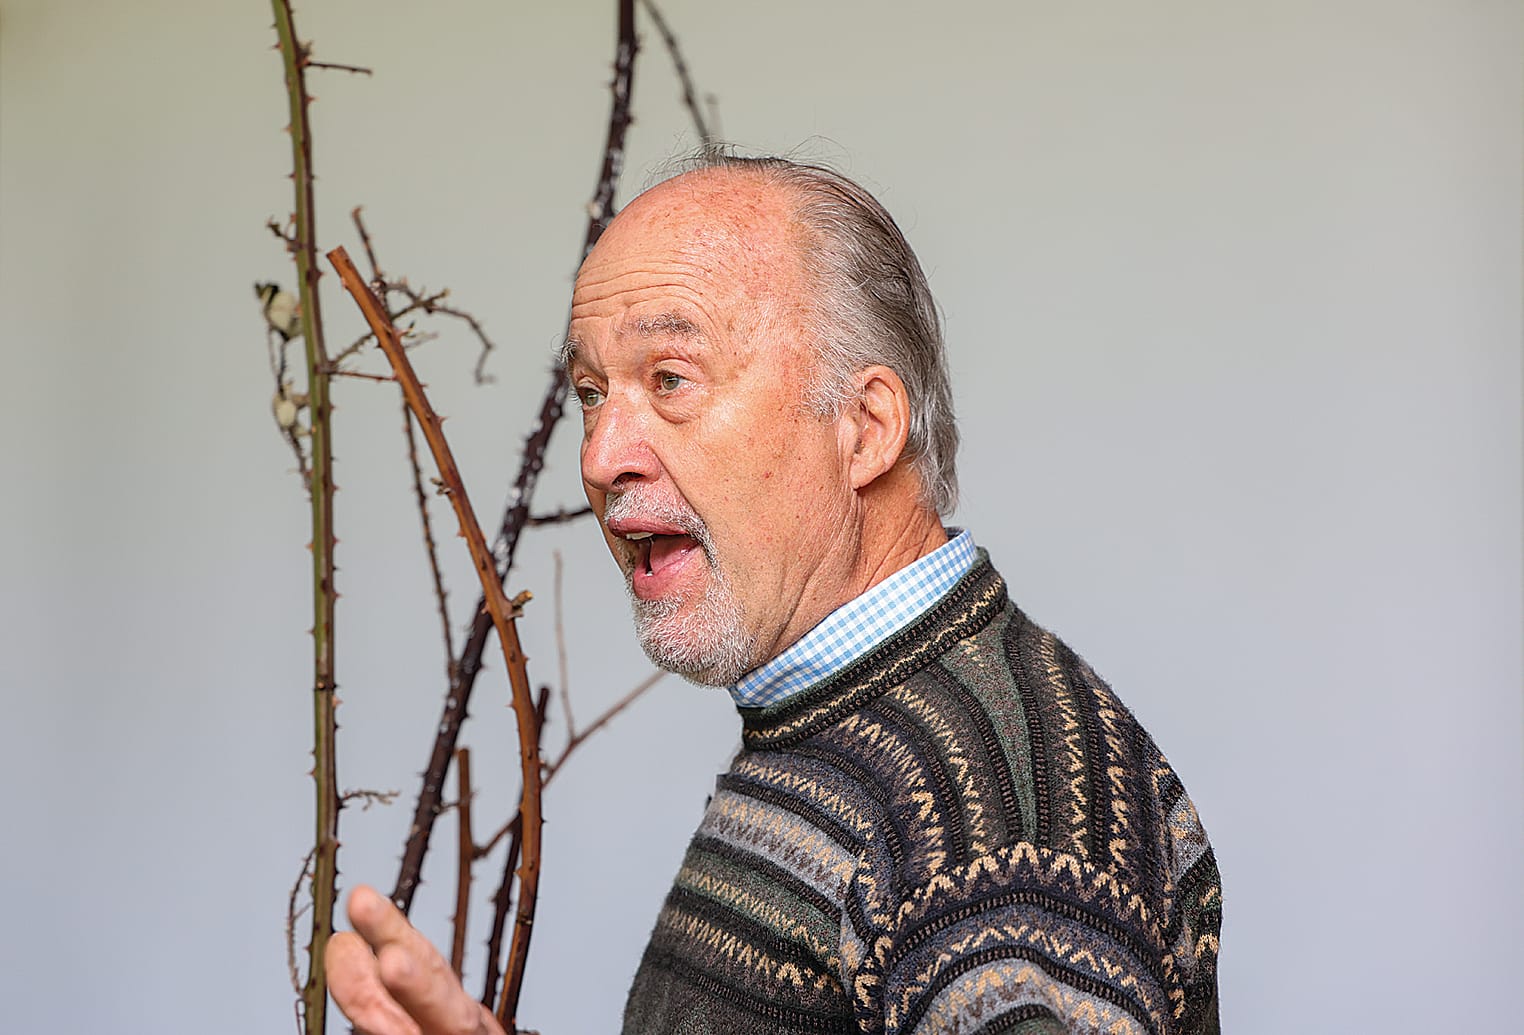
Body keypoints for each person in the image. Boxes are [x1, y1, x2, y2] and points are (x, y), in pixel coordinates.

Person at [328, 155, 1223, 1035]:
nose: (600, 457)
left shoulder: (994, 824)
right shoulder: (842, 731)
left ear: (865, 429)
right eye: (592, 395)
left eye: (669, 379)